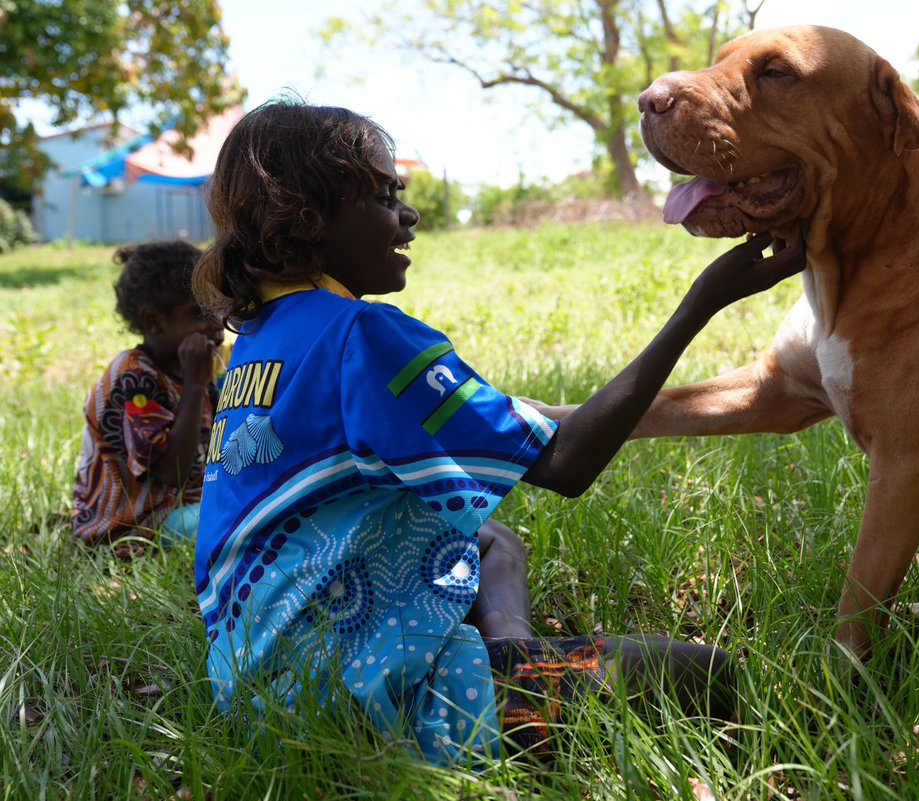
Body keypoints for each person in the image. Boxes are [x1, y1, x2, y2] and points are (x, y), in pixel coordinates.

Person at [190, 99, 806, 764]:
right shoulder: (361, 335)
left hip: (259, 695)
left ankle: (511, 651)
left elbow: (487, 438)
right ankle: (514, 692)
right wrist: (702, 302)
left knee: (486, 536)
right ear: (309, 215)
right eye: (383, 194)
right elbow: (566, 464)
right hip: (362, 711)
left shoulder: (255, 339)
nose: (409, 213)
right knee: (702, 670)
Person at [71, 240, 224, 549]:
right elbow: (172, 473)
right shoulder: (132, 378)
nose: (217, 324)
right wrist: (195, 385)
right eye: (199, 313)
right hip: (135, 524)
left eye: (217, 308)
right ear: (154, 320)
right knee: (234, 527)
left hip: (181, 508)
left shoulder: (189, 367)